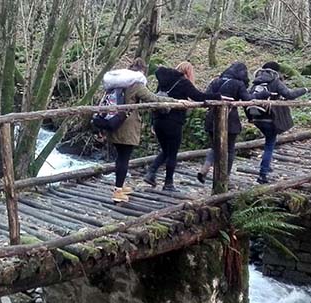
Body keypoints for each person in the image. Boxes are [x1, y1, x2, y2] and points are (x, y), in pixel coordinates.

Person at [104, 58, 175, 203]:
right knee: (124, 157)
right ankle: (118, 191)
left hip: (114, 122)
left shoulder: (117, 84)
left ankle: (120, 185)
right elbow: (152, 98)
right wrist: (175, 101)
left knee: (120, 156)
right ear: (142, 71)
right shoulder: (136, 84)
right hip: (127, 125)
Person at [143, 62, 222, 191]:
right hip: (174, 122)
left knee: (166, 150)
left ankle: (151, 172)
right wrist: (217, 96)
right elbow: (198, 97)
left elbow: (156, 99)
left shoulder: (163, 82)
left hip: (159, 121)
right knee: (172, 152)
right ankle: (168, 183)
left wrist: (152, 122)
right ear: (188, 72)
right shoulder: (183, 82)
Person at [197, 62, 270, 184]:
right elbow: (248, 99)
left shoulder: (216, 81)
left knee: (215, 146)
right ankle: (225, 177)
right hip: (230, 120)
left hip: (211, 118)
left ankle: (206, 167)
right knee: (230, 149)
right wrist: (262, 94)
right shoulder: (238, 84)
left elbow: (207, 96)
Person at [248, 61, 311, 184]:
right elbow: (289, 94)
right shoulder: (275, 81)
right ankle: (263, 174)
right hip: (270, 117)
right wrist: (305, 89)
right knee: (269, 144)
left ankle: (267, 166)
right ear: (276, 71)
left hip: (257, 117)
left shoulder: (256, 82)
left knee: (269, 141)